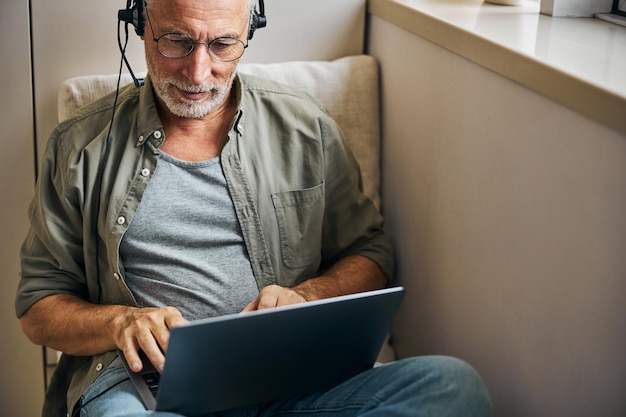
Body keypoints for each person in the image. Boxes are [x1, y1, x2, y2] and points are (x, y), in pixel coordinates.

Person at [15, 0, 492, 416]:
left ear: (249, 33)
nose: (198, 73)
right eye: (176, 41)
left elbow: (369, 253)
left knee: (453, 387)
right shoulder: (80, 146)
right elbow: (38, 307)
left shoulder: (306, 127)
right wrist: (121, 322)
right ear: (140, 23)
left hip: (288, 383)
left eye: (223, 44)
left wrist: (308, 296)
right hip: (143, 389)